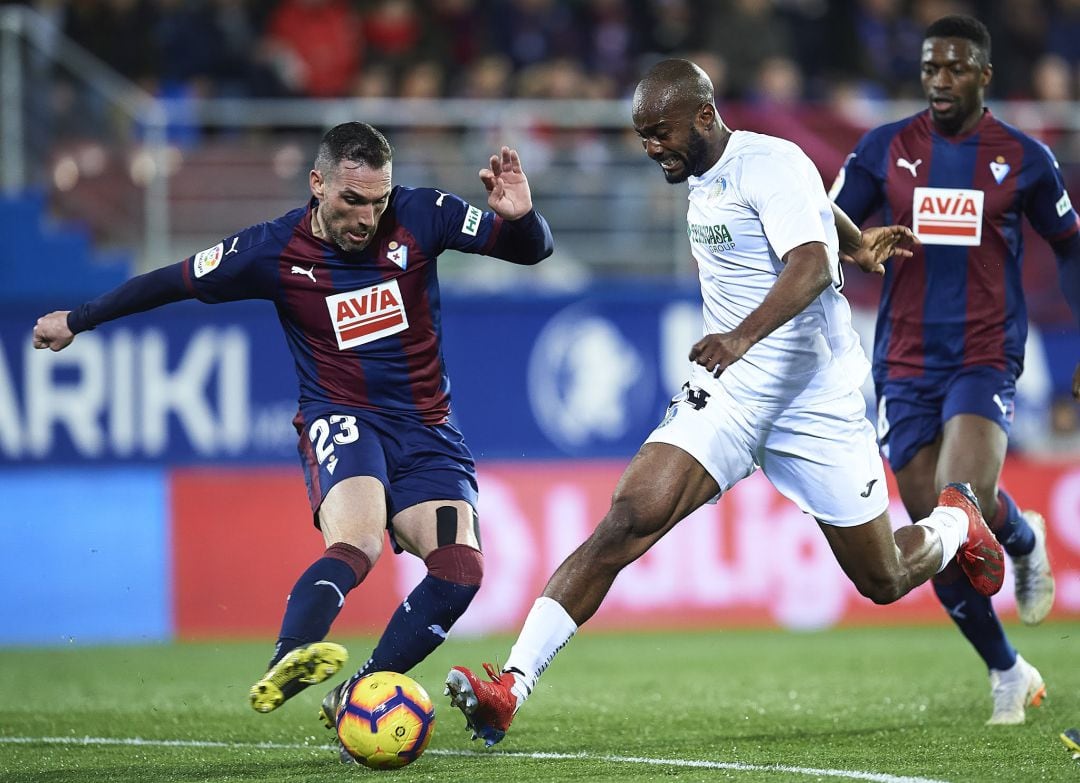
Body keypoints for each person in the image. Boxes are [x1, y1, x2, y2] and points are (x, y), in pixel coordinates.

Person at [444, 58, 1005, 747]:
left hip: (811, 396)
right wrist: (858, 244)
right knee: (627, 518)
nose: (651, 147)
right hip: (731, 394)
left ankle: (955, 522)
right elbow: (816, 217)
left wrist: (747, 331)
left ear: (704, 117)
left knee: (883, 576)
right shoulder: (707, 168)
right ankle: (511, 686)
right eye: (642, 135)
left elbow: (807, 263)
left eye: (660, 132)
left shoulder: (769, 162)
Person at [32, 122, 554, 735]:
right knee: (358, 542)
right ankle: (290, 657)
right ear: (318, 185)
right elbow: (172, 281)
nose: (366, 217)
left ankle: (356, 695)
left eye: (377, 201)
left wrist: (522, 219)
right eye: (351, 200)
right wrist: (79, 319)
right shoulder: (270, 250)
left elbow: (530, 249)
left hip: (427, 427)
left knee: (460, 570)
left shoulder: (424, 213)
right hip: (342, 416)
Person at [831, 14, 1080, 725]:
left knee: (957, 497)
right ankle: (1008, 667)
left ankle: (1021, 544)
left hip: (984, 353)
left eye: (956, 68)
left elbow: (1070, 248)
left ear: (984, 75)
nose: (941, 81)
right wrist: (857, 243)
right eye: (931, 68)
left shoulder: (1024, 157)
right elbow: (824, 228)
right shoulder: (885, 149)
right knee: (938, 539)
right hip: (904, 360)